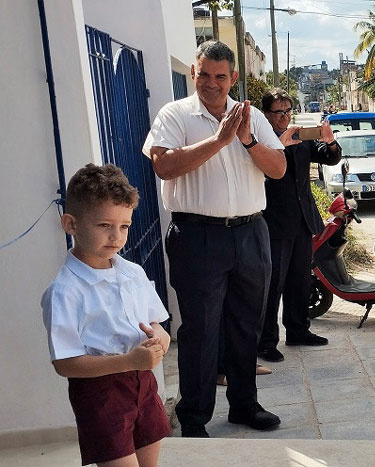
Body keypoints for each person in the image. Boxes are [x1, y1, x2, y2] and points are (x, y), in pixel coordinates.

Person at [143, 40, 285, 437]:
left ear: (233, 78)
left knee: (247, 325)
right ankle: (194, 417)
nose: (211, 83)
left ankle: (244, 405)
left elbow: (277, 169)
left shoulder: (251, 117)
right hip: (197, 237)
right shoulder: (175, 114)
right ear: (193, 73)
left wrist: (247, 141)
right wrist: (219, 140)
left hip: (251, 233)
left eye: (220, 76)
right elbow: (164, 166)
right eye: (203, 74)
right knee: (201, 331)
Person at [42, 164, 171, 467]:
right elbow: (65, 364)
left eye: (124, 226)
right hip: (101, 394)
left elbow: (155, 322)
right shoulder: (65, 292)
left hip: (143, 383)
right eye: (104, 225)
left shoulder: (132, 272)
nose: (116, 236)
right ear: (71, 224)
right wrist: (129, 361)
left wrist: (160, 338)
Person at [256, 88, 341, 363]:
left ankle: (298, 330)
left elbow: (330, 158)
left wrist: (329, 142)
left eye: (287, 111)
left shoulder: (299, 138)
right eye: (278, 112)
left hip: (303, 221)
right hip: (275, 224)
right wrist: (280, 144)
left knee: (300, 281)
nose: (284, 117)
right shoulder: (259, 140)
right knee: (272, 286)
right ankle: (266, 342)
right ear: (266, 114)